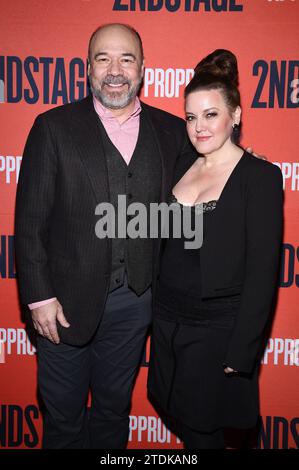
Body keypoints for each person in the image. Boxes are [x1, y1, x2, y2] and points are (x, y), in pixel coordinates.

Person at [14, 23, 197, 449]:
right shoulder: (53, 127)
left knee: (114, 413)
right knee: (63, 421)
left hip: (136, 305)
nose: (115, 70)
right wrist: (39, 297)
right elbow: (29, 221)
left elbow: (211, 173)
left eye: (126, 59)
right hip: (62, 306)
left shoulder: (171, 131)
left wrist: (248, 164)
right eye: (104, 58)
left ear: (143, 68)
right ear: (88, 68)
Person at [147, 49, 283, 449]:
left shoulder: (258, 177)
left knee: (202, 432)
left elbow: (262, 274)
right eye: (191, 117)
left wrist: (241, 354)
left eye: (211, 115)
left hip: (215, 335)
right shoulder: (180, 164)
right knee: (183, 421)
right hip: (168, 326)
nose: (199, 127)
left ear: (236, 115)